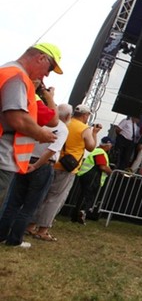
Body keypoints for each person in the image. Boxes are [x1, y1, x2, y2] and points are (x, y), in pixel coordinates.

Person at [0, 43, 61, 212]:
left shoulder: (8, 71)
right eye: (49, 68)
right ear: (41, 58)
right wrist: (40, 133)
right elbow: (17, 118)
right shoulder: (17, 77)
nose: (46, 75)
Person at [0, 103, 70, 248]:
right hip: (42, 165)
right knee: (30, 206)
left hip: (25, 160)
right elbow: (52, 150)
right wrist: (37, 165)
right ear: (68, 116)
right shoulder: (62, 129)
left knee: (13, 203)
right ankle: (15, 239)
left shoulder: (36, 121)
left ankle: (2, 234)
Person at [30, 104, 101, 242]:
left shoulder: (63, 124)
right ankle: (43, 229)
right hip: (68, 167)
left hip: (51, 161)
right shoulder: (84, 128)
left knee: (42, 195)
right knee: (55, 199)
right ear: (85, 115)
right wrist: (94, 133)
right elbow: (91, 147)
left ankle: (30, 225)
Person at [71, 136, 113, 224]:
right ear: (108, 145)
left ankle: (76, 215)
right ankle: (82, 212)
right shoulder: (100, 152)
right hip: (92, 176)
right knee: (88, 197)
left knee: (84, 195)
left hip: (86, 174)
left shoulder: (96, 150)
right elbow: (102, 166)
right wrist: (110, 171)